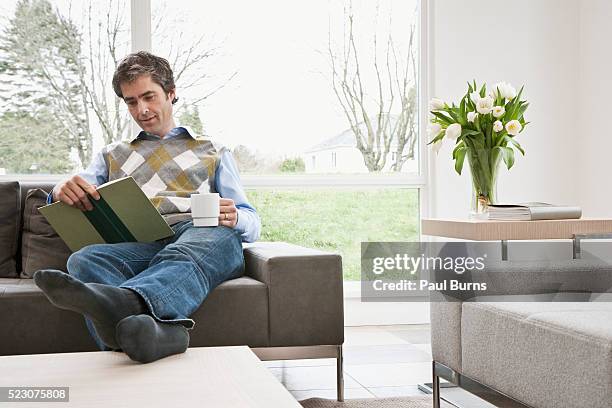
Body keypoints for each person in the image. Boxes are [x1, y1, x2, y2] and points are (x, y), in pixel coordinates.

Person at [33, 51, 261, 363]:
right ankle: (161, 336)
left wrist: (236, 217)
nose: (141, 109)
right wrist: (60, 190)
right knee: (85, 259)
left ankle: (124, 306)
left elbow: (252, 221)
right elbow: (70, 190)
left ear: (171, 93)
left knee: (213, 236)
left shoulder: (214, 151)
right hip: (139, 244)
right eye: (131, 102)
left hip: (198, 237)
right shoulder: (111, 154)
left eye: (149, 97)